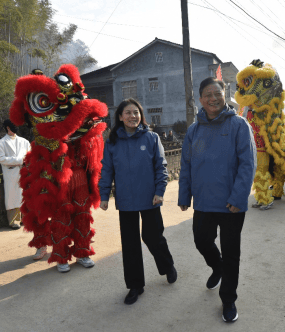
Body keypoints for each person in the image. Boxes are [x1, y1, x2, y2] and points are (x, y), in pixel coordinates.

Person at [178, 77, 256, 323]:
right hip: (203, 202)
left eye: (217, 94)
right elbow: (186, 165)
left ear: (225, 96)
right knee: (202, 241)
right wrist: (184, 195)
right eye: (207, 95)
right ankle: (217, 266)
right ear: (201, 100)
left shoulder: (239, 125)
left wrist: (239, 197)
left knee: (231, 252)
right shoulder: (194, 130)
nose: (213, 98)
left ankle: (228, 299)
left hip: (231, 204)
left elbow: (247, 165)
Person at [99, 98, 176, 305]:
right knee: (130, 244)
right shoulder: (112, 142)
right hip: (125, 201)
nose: (133, 116)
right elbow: (107, 169)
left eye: (136, 112)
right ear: (120, 117)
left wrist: (160, 191)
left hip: (150, 198)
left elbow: (161, 166)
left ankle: (167, 266)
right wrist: (104, 195)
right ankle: (135, 285)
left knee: (153, 237)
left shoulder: (151, 138)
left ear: (141, 115)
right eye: (128, 113)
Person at [0, 120, 31, 230]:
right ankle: (14, 221)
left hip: (24, 171)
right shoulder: (0, 143)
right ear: (7, 128)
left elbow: (29, 155)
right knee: (13, 197)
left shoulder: (24, 142)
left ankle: (26, 219)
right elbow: (0, 158)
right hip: (11, 172)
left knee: (25, 195)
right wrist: (20, 160)